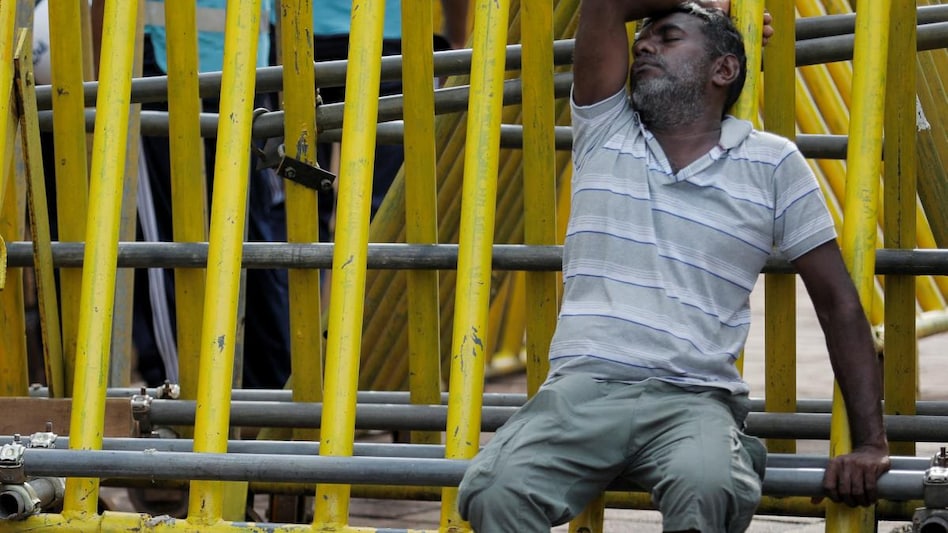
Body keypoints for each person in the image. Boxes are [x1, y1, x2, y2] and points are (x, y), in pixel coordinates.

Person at [457, 1, 891, 532]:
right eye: (643, 37)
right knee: (494, 492)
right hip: (585, 388)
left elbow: (839, 303)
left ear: (724, 70)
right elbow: (604, 5)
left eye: (668, 36)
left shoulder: (773, 164)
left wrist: (871, 442)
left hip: (694, 399)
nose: (644, 45)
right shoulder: (606, 128)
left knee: (709, 487)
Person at [90, 0, 292, 390]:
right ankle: (183, 400)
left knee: (238, 250)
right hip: (169, 72)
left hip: (243, 71)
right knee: (182, 251)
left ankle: (258, 405)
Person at [311, 0, 469, 243]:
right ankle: (367, 276)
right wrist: (456, 39)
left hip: (305, 33)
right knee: (378, 202)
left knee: (301, 188)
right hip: (388, 35)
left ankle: (295, 278)